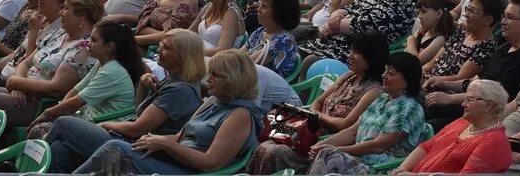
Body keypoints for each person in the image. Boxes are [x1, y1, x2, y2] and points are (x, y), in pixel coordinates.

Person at [73, 48, 263, 175]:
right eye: (210, 73)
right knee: (74, 147)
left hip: (189, 171)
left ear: (234, 80)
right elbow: (180, 137)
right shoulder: (215, 101)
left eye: (216, 75)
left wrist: (165, 144)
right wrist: (154, 141)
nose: (209, 79)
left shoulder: (241, 115)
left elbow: (210, 162)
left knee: (114, 151)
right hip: (174, 160)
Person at [43, 28, 206, 172]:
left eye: (167, 48)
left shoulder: (180, 90)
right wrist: (143, 85)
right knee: (60, 151)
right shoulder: (173, 81)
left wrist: (104, 125)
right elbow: (138, 112)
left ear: (183, 56)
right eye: (161, 45)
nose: (160, 50)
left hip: (135, 147)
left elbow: (137, 129)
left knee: (64, 123)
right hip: (129, 139)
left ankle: (25, 163)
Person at [248, 32, 386, 174]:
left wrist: (318, 116)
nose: (350, 55)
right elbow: (318, 101)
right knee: (265, 141)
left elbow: (345, 124)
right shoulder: (348, 76)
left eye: (356, 53)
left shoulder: (373, 91)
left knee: (274, 151)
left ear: (371, 57)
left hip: (325, 141)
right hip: (307, 130)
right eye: (352, 50)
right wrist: (316, 114)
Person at [305, 52, 432, 176]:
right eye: (385, 71)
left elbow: (378, 146)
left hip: (379, 168)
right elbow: (352, 132)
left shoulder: (409, 109)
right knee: (316, 153)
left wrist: (335, 149)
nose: (384, 75)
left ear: (407, 82)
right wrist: (319, 145)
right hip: (359, 159)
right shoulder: (383, 98)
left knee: (328, 156)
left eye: (390, 73)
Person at [392, 78, 511, 174]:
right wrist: (403, 169)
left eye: (470, 99)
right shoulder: (462, 122)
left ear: (489, 105)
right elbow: (427, 146)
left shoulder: (495, 142)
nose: (463, 104)